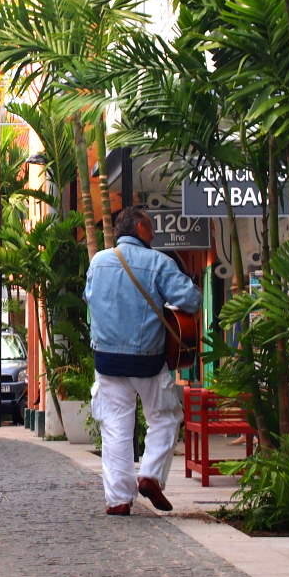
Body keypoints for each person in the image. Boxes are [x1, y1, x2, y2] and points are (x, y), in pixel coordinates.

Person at [85, 206, 201, 516]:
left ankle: (119, 499)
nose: (152, 234)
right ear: (139, 227)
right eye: (149, 228)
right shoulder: (158, 263)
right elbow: (190, 300)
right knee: (164, 417)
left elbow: (90, 298)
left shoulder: (98, 262)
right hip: (147, 360)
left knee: (115, 428)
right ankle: (150, 474)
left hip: (107, 360)